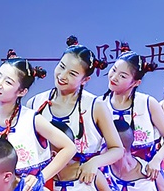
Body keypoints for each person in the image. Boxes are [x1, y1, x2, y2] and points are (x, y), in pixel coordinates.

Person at [29, 36, 124, 182]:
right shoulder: (35, 103)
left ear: (85, 80)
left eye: (72, 74)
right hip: (43, 184)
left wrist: (94, 162)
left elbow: (117, 149)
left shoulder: (95, 106)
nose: (62, 76)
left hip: (83, 183)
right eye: (61, 66)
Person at [0, 51, 77, 187]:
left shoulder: (32, 120)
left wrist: (41, 178)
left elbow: (69, 148)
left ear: (22, 92)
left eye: (8, 82)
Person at [103, 49, 164, 178]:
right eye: (114, 70)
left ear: (136, 83)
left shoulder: (147, 103)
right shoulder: (100, 104)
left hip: (145, 173)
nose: (114, 77)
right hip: (108, 174)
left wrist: (157, 160)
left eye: (122, 76)